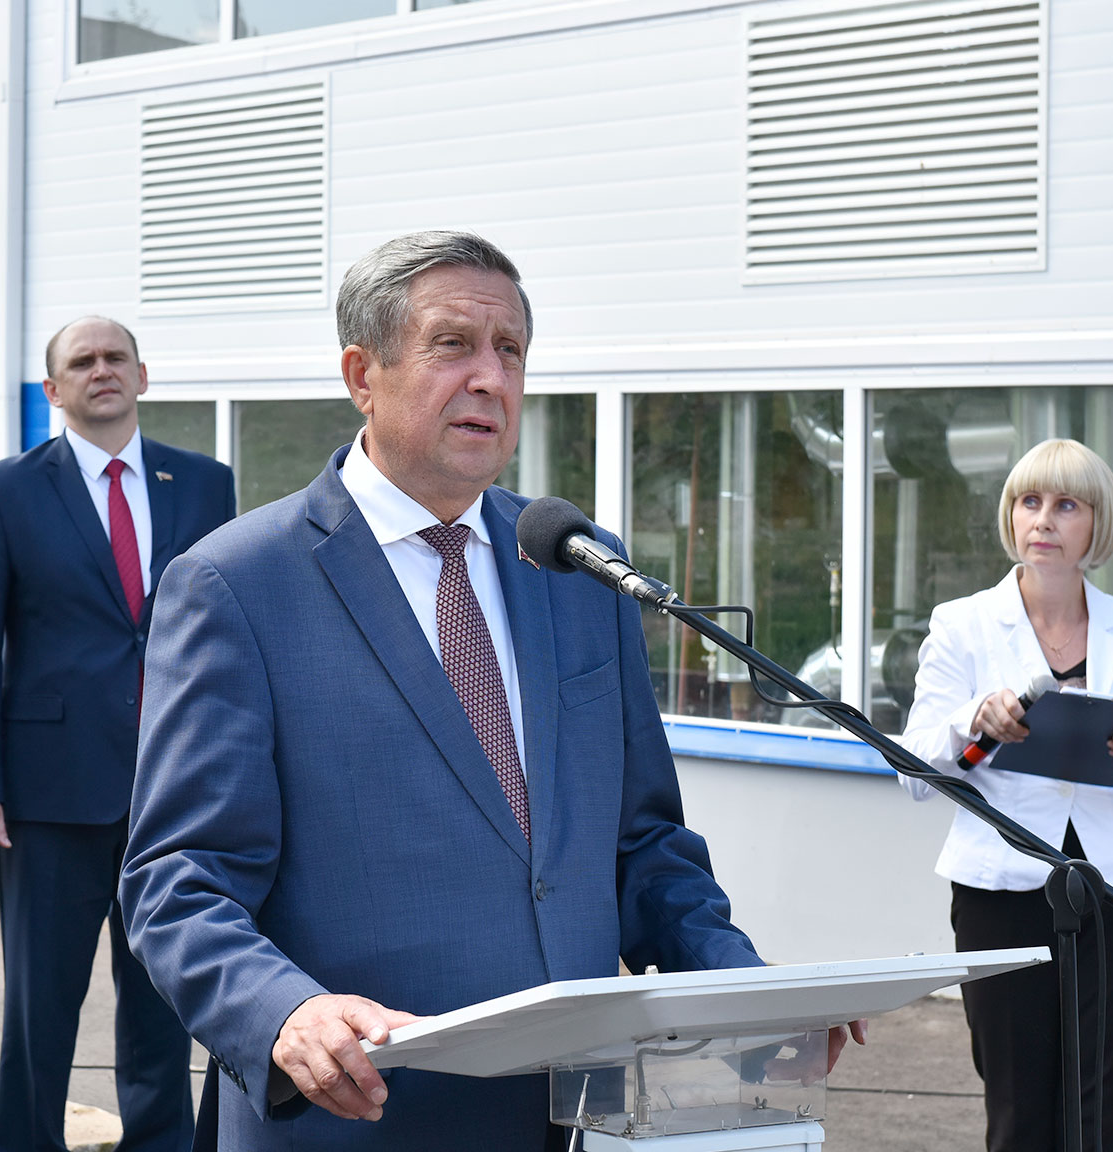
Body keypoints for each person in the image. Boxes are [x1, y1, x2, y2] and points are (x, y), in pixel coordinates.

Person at [119, 232, 855, 1151]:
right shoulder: (237, 583)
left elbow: (640, 844)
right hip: (360, 1117)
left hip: (581, 1114)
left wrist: (742, 985)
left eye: (510, 350)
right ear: (362, 374)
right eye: (452, 345)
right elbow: (178, 882)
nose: (490, 378)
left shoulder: (580, 565)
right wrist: (284, 1013)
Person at [0, 316, 235, 1152]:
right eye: (82, 361)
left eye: (115, 358)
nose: (101, 370)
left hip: (174, 794)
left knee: (165, 1007)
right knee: (40, 1012)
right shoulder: (7, 492)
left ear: (142, 375)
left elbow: (228, 635)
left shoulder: (204, 484)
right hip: (50, 796)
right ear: (53, 389)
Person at [899, 438, 1113, 1152]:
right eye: (1029, 501)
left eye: (1067, 505)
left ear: (1098, 523)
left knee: (1100, 1112)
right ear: (1011, 514)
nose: (1043, 520)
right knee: (1020, 1107)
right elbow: (912, 771)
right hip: (1002, 889)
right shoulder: (962, 623)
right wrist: (974, 718)